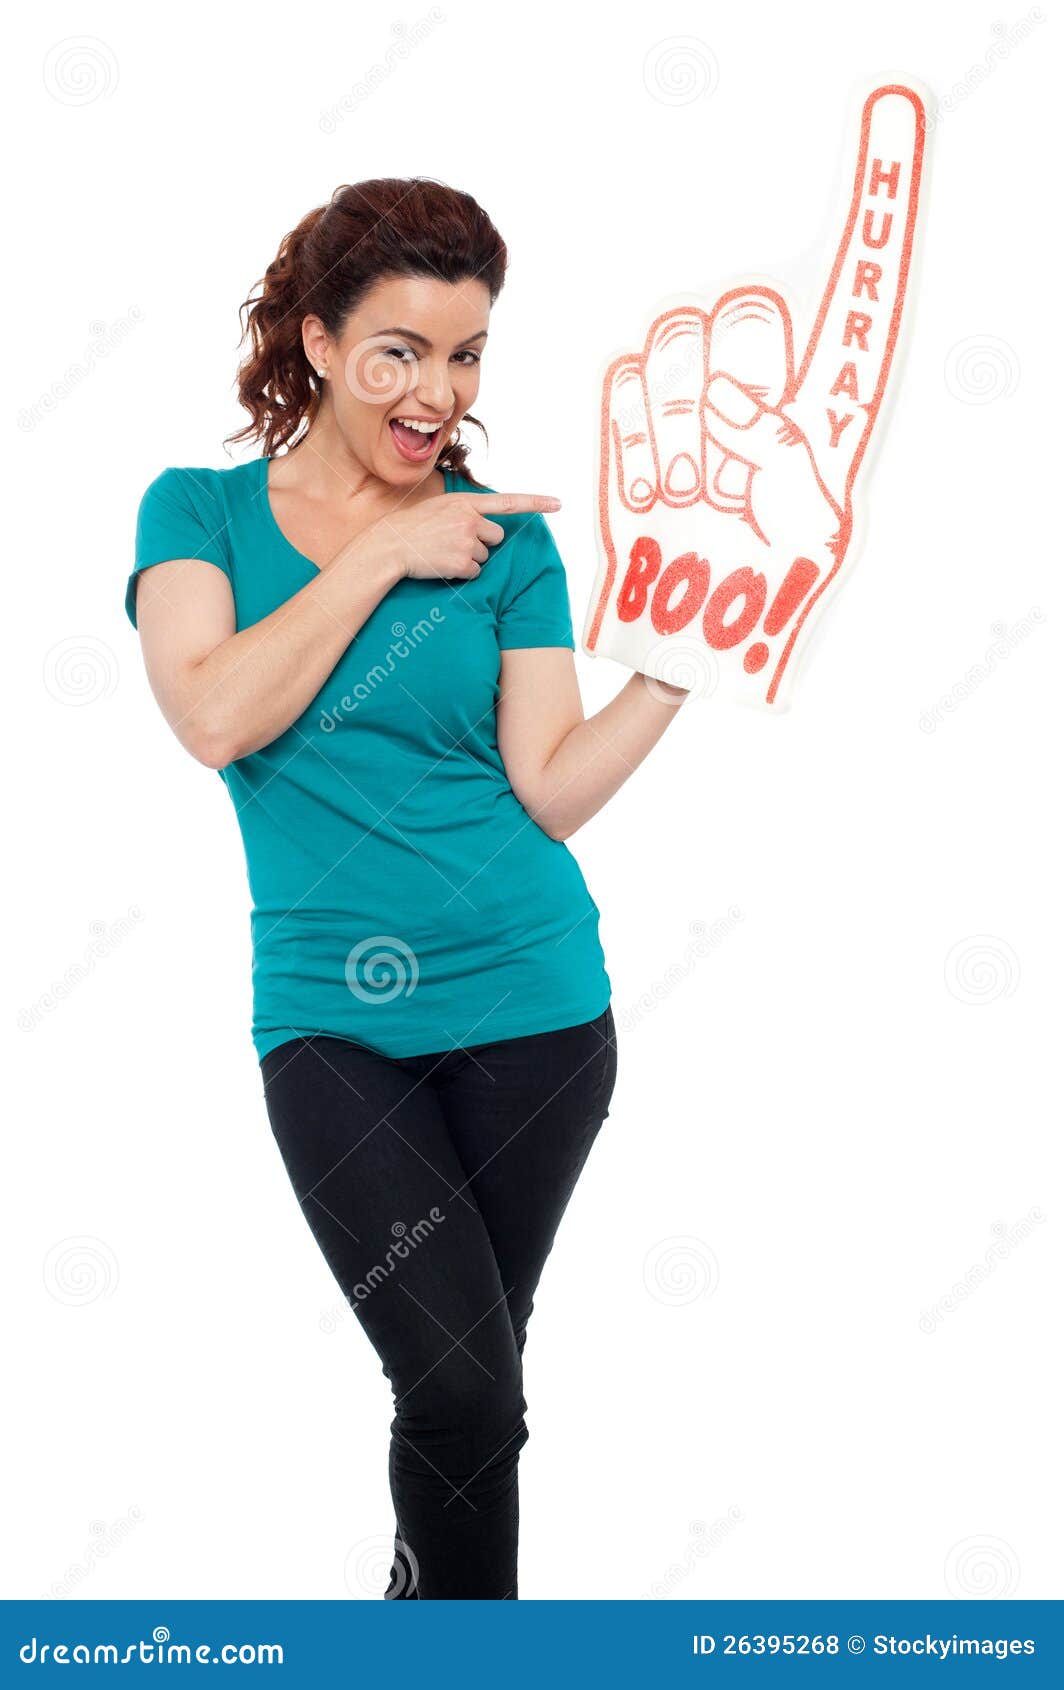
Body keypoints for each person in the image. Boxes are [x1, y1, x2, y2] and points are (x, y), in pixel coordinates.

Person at [126, 177, 686, 1599]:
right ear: (316, 341)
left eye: (468, 351)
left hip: (541, 1017)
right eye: (401, 350)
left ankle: (421, 1622)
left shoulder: (508, 540)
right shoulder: (197, 513)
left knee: (468, 1394)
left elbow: (551, 785)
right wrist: (382, 548)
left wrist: (681, 662)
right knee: (460, 1386)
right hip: (335, 1028)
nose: (440, 390)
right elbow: (211, 716)